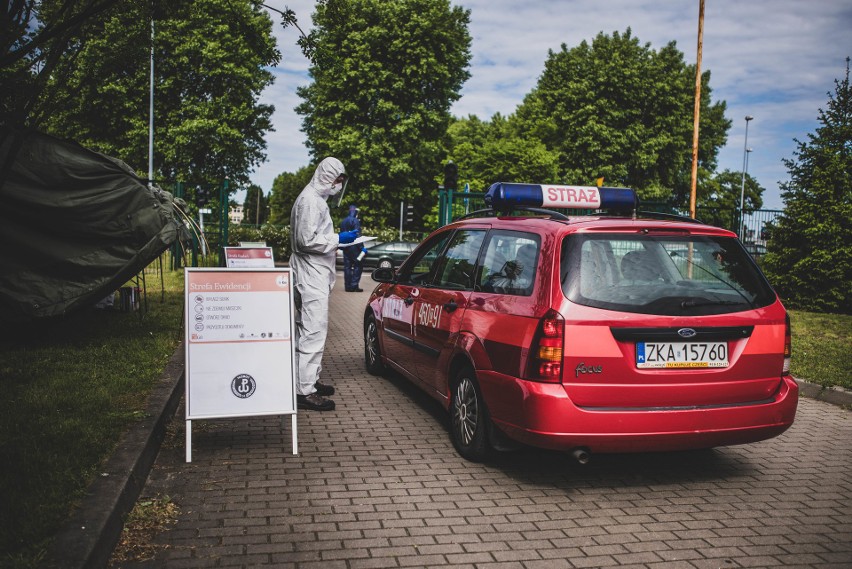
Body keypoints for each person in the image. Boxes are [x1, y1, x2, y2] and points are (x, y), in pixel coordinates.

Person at [289, 157, 359, 411]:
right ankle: (304, 391)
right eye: (337, 181)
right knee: (313, 331)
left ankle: (309, 380)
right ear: (327, 177)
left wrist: (337, 239)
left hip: (312, 273)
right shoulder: (310, 201)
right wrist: (340, 238)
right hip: (310, 274)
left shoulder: (315, 200)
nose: (338, 186)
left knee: (309, 330)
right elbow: (306, 240)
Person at [340, 204, 367, 292]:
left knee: (347, 267)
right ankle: (354, 285)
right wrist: (362, 248)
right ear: (355, 212)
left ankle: (348, 287)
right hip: (355, 248)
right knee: (358, 266)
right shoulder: (355, 221)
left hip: (346, 247)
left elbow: (342, 235)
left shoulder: (343, 221)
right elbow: (357, 235)